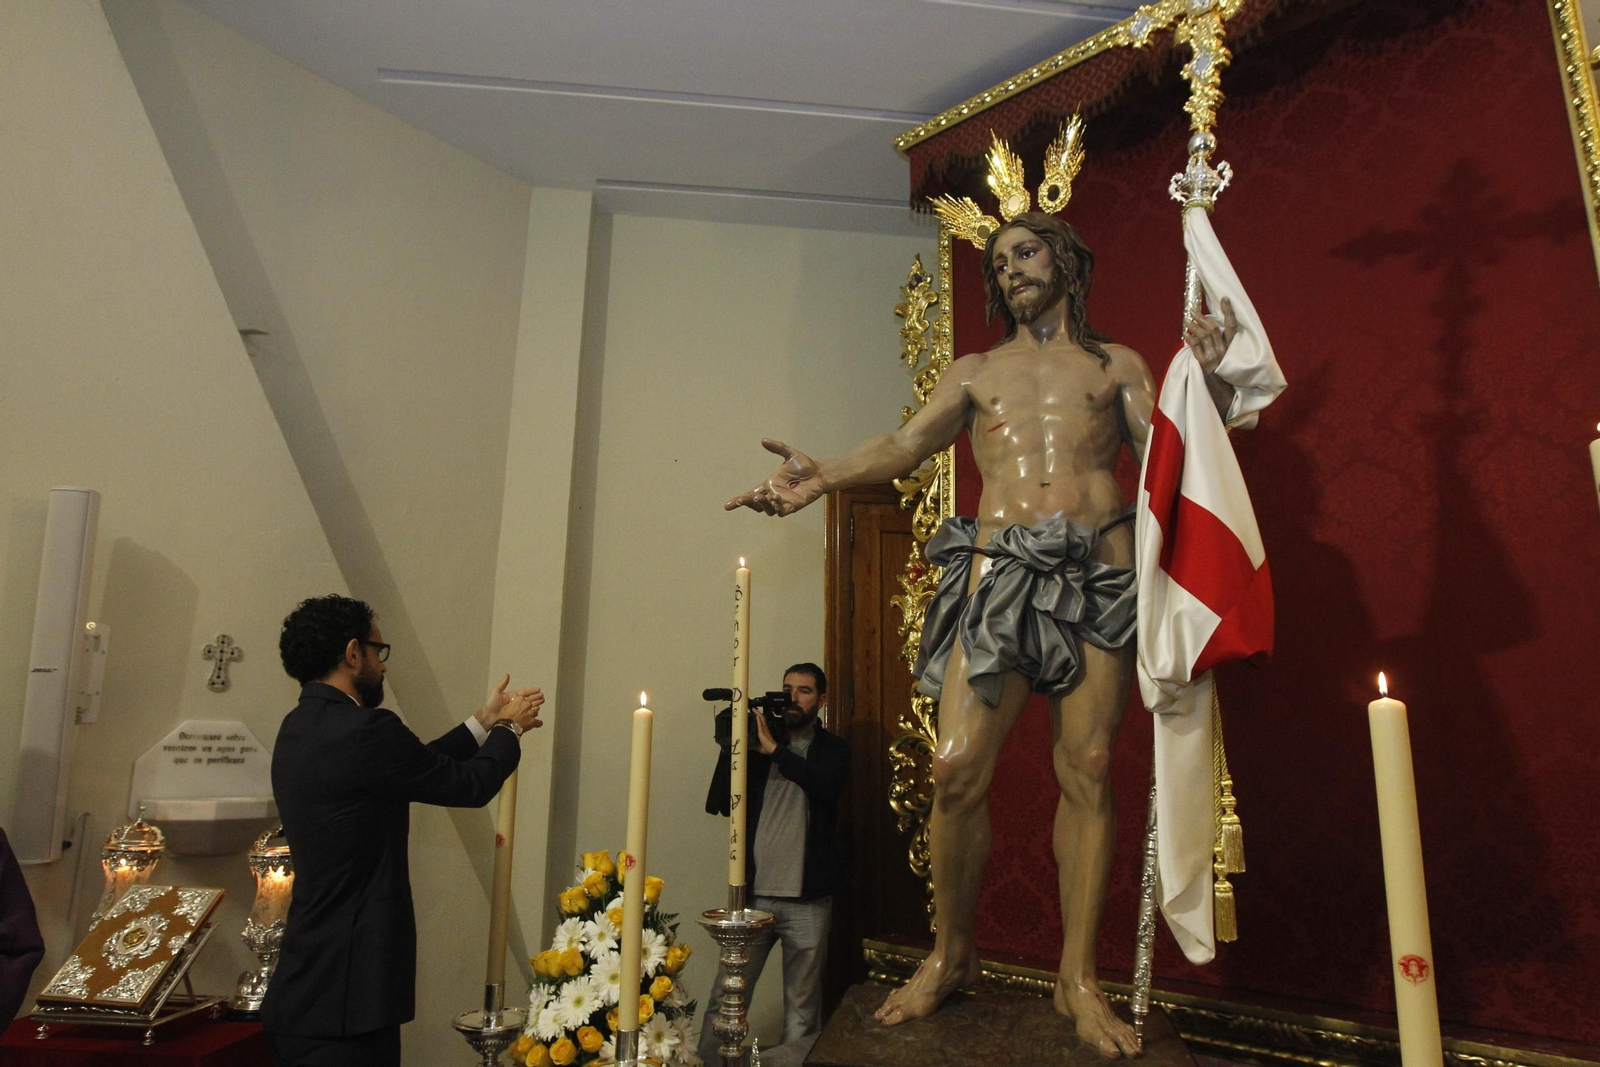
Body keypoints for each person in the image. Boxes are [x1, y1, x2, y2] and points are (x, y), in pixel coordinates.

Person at [726, 213, 1238, 1058]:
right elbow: (902, 443)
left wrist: (1211, 386)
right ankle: (951, 952)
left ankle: (1077, 977)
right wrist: (821, 476)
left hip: (1095, 573)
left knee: (1091, 766)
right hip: (998, 575)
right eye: (998, 264)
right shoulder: (976, 372)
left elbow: (1174, 457)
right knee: (957, 766)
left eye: (1026, 253)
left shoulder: (1118, 367)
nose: (1009, 272)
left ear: (1067, 261)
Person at [262, 594, 544, 1067]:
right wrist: (509, 732)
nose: (383, 666)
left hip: (307, 982)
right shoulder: (367, 729)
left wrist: (484, 721)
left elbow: (410, 766)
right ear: (353, 654)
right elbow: (470, 786)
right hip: (349, 994)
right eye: (378, 650)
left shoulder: (298, 727)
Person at [699, 663, 850, 1065]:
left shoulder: (832, 749)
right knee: (725, 1000)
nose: (793, 698)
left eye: (803, 691)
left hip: (808, 900)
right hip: (754, 898)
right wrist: (734, 745)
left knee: (802, 1012)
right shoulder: (758, 749)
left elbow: (826, 786)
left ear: (821, 700)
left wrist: (776, 751)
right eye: (787, 689)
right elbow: (718, 803)